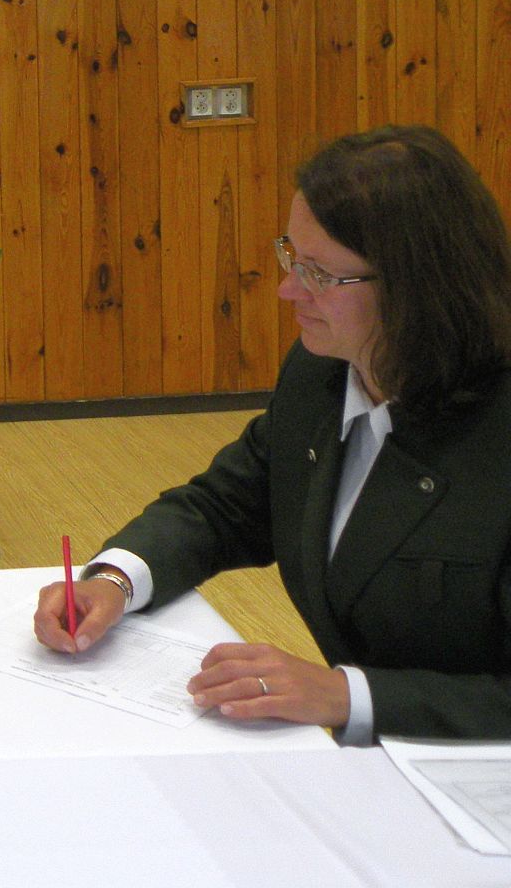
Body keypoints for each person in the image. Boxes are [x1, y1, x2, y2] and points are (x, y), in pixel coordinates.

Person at [33, 125, 511, 742]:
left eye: (320, 274)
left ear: (418, 286)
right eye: (292, 257)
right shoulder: (322, 372)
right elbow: (227, 505)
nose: (288, 289)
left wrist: (347, 694)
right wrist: (116, 581)